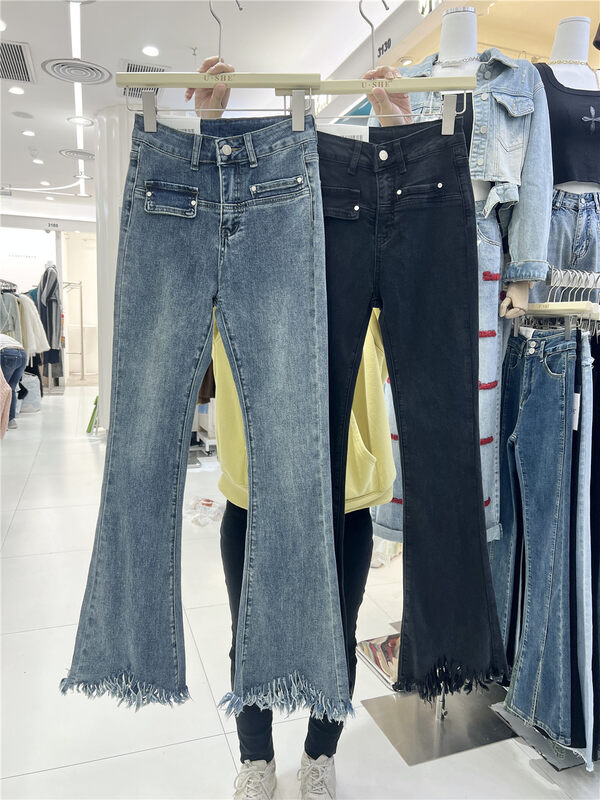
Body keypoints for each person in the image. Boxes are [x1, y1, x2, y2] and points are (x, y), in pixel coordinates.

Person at [185, 57, 404, 799]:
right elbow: (206, 232)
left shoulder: (362, 254)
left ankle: (319, 753)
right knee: (250, 631)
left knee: (336, 630)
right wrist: (212, 128)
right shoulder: (240, 256)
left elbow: (406, 308)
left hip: (345, 487)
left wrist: (398, 137)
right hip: (257, 483)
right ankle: (255, 760)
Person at [0, 333, 27, 430]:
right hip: (22, 354)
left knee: (2, 389)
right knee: (10, 388)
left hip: (7, 353)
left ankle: (2, 422)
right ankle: (10, 421)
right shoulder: (4, 336)